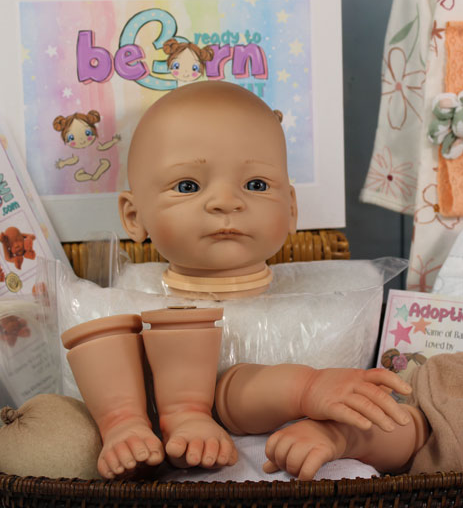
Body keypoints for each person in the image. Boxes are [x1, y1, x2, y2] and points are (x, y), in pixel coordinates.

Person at [62, 81, 409, 479]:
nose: (226, 202)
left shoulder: (338, 304)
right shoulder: (116, 306)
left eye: (256, 185)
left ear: (291, 209)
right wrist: (122, 422)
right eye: (188, 186)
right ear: (133, 216)